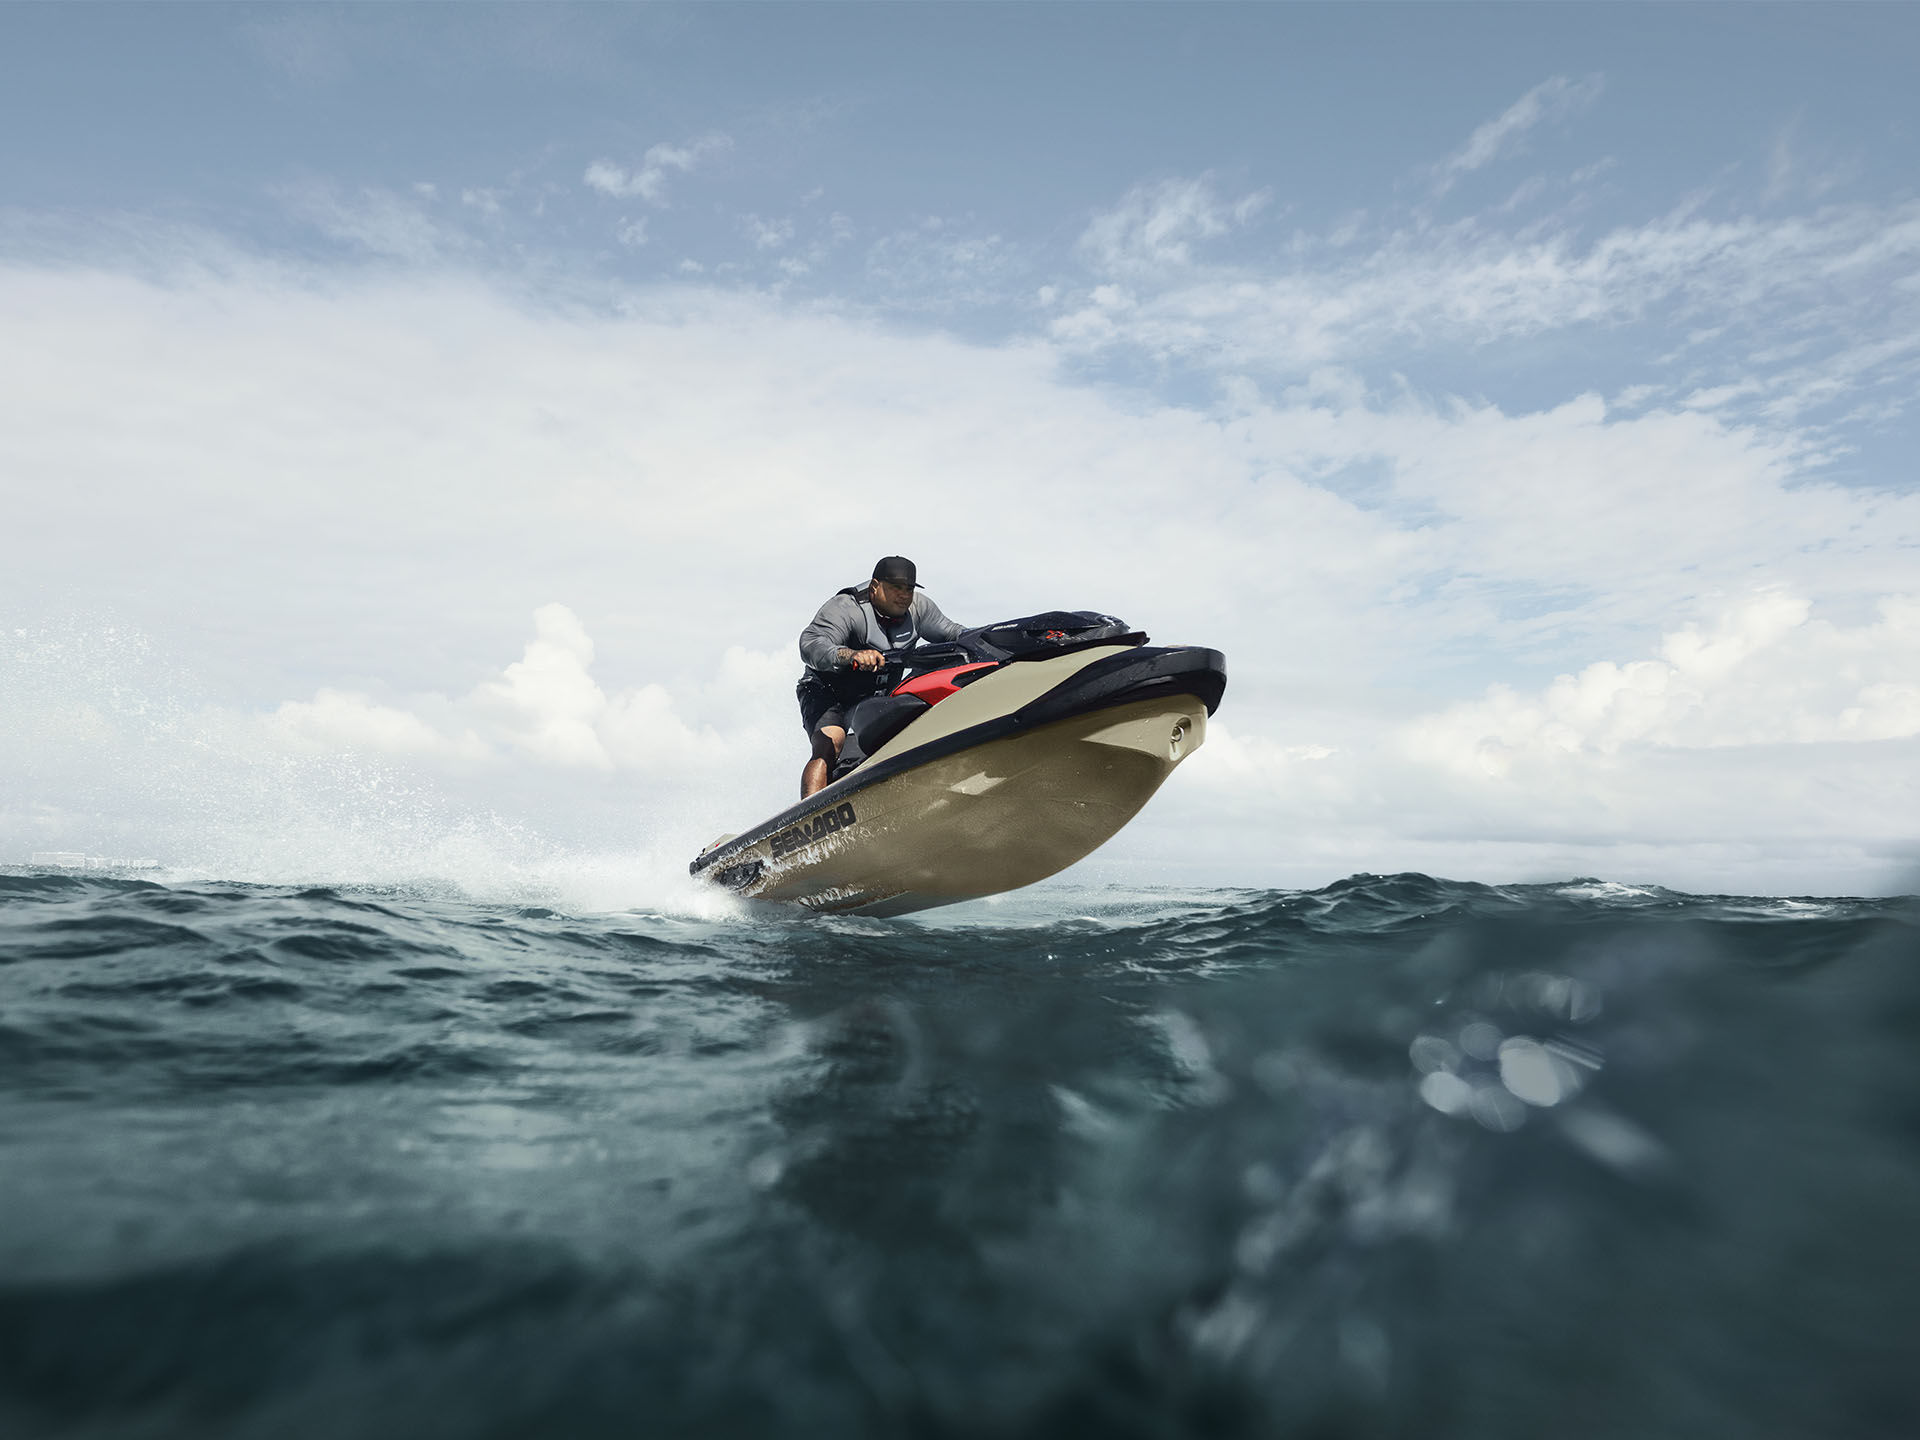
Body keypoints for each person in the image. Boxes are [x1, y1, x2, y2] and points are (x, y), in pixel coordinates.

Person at [796, 556, 966, 797]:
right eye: (895, 587)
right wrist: (851, 655)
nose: (903, 595)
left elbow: (954, 633)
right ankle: (809, 819)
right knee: (831, 742)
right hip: (825, 690)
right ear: (875, 586)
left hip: (873, 697)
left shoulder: (919, 609)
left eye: (908, 589)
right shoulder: (846, 609)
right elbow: (810, 644)